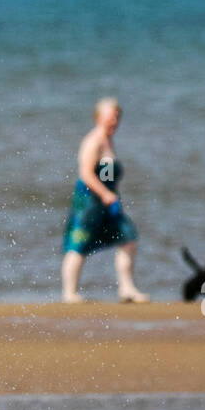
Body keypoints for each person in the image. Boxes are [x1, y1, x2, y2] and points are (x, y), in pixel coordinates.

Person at [61, 97, 148, 303]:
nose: (115, 121)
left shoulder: (109, 141)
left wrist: (111, 194)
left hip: (109, 204)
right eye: (111, 117)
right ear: (99, 117)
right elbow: (86, 174)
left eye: (118, 116)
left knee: (128, 237)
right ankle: (69, 293)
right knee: (78, 243)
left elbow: (107, 174)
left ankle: (127, 289)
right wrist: (105, 194)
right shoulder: (94, 141)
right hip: (89, 202)